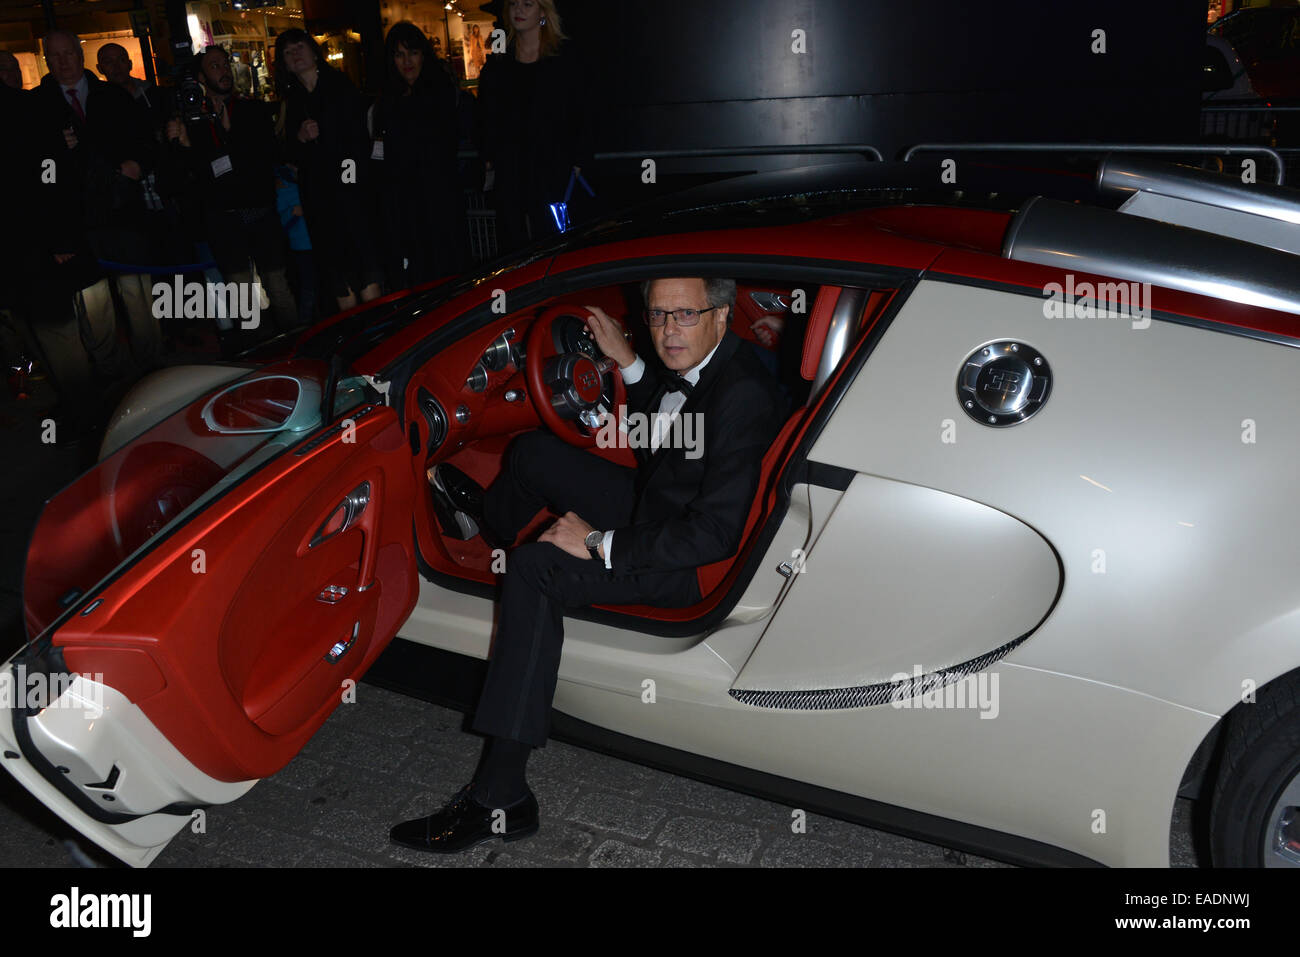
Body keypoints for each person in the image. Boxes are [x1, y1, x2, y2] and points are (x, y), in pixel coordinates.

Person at [390, 277, 786, 852]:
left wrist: (598, 542)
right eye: (656, 317)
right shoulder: (714, 363)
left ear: (722, 315)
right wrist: (629, 365)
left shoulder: (743, 394)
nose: (667, 332)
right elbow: (675, 427)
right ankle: (487, 530)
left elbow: (715, 534)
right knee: (533, 452)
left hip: (681, 560)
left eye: (683, 316)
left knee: (533, 570)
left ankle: (502, 797)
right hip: (662, 506)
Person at [29, 30, 161, 395]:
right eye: (54, 56)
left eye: (68, 53)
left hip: (123, 212)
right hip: (77, 221)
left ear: (79, 54)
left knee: (138, 295)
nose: (63, 61)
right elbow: (36, 171)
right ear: (47, 60)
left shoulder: (113, 96)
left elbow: (148, 143)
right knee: (94, 305)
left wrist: (137, 164)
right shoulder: (37, 104)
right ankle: (112, 374)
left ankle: (152, 368)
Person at [165, 45, 298, 346]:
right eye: (214, 66)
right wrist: (183, 145)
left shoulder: (251, 110)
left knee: (278, 285)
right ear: (200, 76)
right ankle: (255, 353)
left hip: (260, 212)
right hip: (223, 220)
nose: (223, 71)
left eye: (225, 64)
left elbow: (266, 156)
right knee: (240, 294)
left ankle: (296, 344)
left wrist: (229, 133)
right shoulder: (193, 121)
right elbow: (186, 178)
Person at [276, 29, 383, 311]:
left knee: (363, 263)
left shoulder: (339, 86)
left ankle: (377, 332)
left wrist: (350, 186)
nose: (295, 54)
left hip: (351, 194)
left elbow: (359, 142)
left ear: (313, 51)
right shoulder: (292, 101)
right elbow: (288, 153)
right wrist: (300, 137)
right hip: (319, 199)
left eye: (299, 47)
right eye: (288, 52)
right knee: (336, 270)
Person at [476, 0, 593, 251]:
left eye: (527, 4)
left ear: (542, 11)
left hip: (553, 168)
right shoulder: (499, 64)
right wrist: (489, 157)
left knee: (556, 244)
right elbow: (486, 115)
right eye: (514, 4)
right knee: (513, 246)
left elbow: (583, 111)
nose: (518, 10)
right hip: (511, 170)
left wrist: (579, 161)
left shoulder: (564, 59)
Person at [372, 21, 467, 290]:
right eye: (399, 54)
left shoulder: (441, 93)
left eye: (412, 52)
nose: (407, 61)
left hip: (440, 200)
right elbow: (380, 157)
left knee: (447, 269)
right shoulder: (386, 101)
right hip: (404, 206)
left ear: (423, 54)